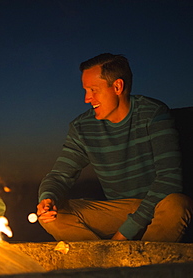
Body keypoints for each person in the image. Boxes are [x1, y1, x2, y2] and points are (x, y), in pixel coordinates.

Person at [37, 53, 193, 242]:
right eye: (85, 90)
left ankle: (143, 266)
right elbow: (59, 176)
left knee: (177, 204)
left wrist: (124, 233)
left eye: (93, 90)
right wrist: (47, 199)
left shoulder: (153, 114)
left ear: (117, 86)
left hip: (158, 207)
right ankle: (104, 261)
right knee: (55, 215)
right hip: (120, 211)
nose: (87, 98)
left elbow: (169, 180)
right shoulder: (82, 127)